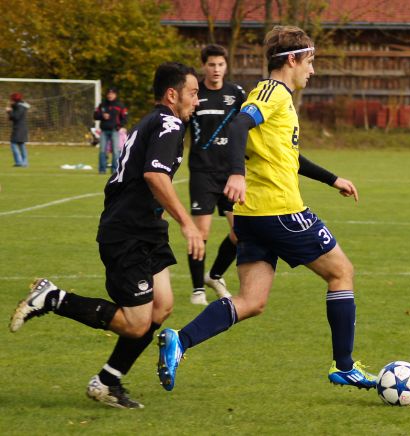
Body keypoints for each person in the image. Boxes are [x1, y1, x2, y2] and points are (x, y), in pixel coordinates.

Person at [157, 25, 377, 392]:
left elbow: (288, 156)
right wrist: (237, 174)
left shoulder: (277, 97)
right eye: (310, 61)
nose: (313, 70)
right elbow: (240, 125)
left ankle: (181, 341)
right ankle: (345, 366)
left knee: (251, 301)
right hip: (279, 211)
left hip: (251, 216)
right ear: (292, 59)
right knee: (342, 273)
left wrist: (332, 178)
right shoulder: (273, 92)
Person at [9, 62, 204, 409]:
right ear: (172, 95)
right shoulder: (169, 122)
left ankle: (108, 381)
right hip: (127, 230)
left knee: (162, 307)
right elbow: (155, 176)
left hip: (146, 227)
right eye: (193, 93)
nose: (197, 100)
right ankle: (53, 298)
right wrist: (188, 224)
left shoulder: (158, 121)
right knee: (136, 323)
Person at [187, 44, 246, 305]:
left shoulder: (236, 94)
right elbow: (180, 126)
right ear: (204, 66)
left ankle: (215, 275)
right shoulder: (194, 94)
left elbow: (247, 128)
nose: (216, 69)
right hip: (202, 172)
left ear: (226, 66)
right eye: (211, 64)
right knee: (201, 233)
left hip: (231, 173)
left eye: (220, 64)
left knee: (240, 232)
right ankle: (198, 288)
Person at [93, 87, 128, 174]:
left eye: (112, 94)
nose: (110, 95)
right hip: (104, 131)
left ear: (115, 95)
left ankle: (115, 170)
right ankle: (102, 170)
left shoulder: (120, 105)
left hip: (114, 131)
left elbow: (125, 118)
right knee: (102, 151)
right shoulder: (102, 105)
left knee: (116, 151)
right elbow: (95, 116)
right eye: (108, 93)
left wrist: (118, 126)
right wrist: (102, 116)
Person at [6, 92, 30, 167]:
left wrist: (9, 112)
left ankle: (20, 162)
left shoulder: (20, 107)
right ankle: (24, 162)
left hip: (19, 129)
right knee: (22, 145)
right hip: (22, 128)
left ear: (14, 99)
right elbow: (13, 117)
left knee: (14, 144)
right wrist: (11, 109)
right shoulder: (20, 106)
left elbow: (16, 117)